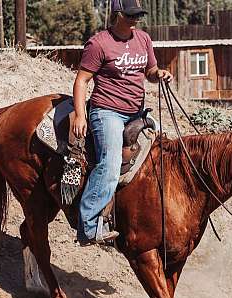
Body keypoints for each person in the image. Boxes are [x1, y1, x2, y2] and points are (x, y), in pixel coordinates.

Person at [72, 0, 173, 245]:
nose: (135, 20)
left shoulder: (143, 39)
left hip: (136, 112)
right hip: (107, 112)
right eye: (130, 15)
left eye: (138, 15)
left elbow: (149, 71)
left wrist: (159, 74)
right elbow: (82, 80)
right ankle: (88, 224)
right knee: (111, 162)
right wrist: (80, 114)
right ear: (118, 14)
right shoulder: (99, 43)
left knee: (165, 148)